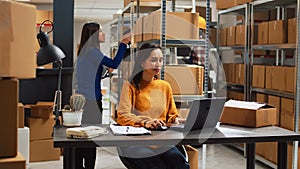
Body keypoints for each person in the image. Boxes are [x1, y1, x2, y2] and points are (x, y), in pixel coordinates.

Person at [116, 43, 189, 169]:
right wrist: (145, 122)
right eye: (154, 60)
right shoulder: (129, 86)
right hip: (136, 142)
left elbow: (171, 115)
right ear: (142, 62)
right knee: (155, 166)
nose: (158, 64)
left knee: (179, 162)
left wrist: (181, 120)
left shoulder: (165, 86)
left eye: (161, 60)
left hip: (161, 141)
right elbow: (123, 115)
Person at [74, 22, 131, 169]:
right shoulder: (93, 51)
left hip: (85, 99)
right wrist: (123, 44)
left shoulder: (85, 51)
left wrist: (105, 72)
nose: (103, 34)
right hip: (92, 101)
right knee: (91, 139)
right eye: (100, 32)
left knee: (83, 138)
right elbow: (114, 63)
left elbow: (92, 74)